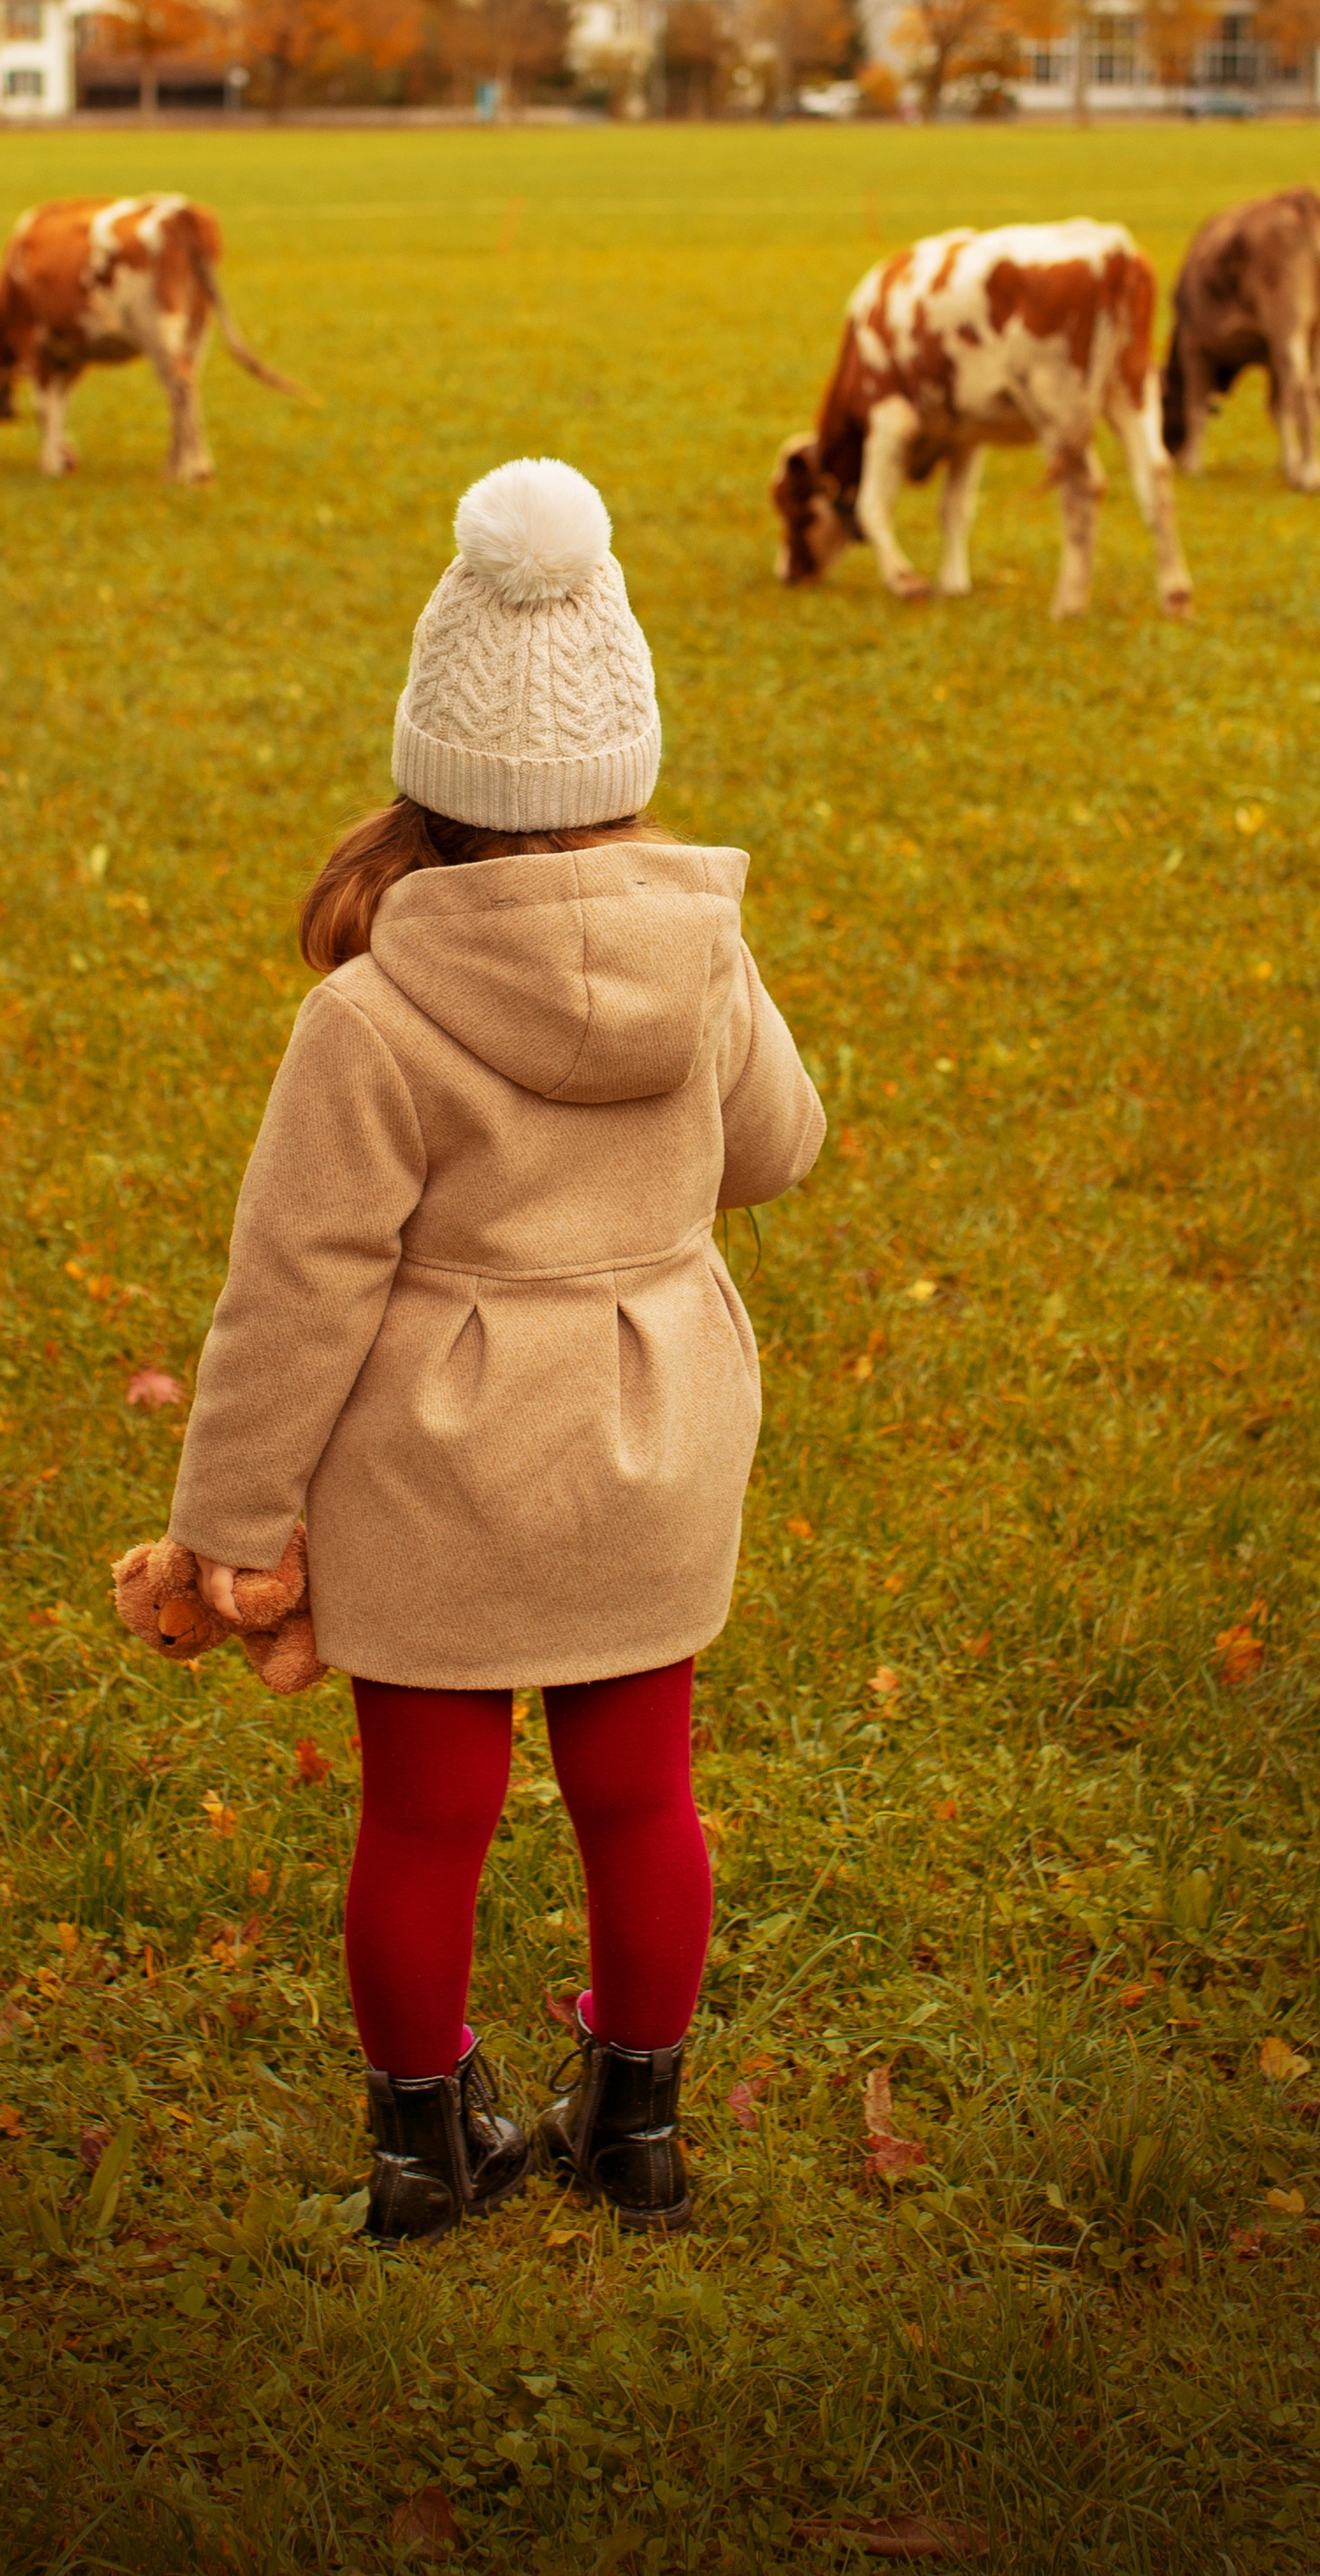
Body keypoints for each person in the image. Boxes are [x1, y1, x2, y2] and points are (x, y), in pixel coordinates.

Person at [163, 456, 823, 2240]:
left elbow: (292, 1287)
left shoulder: (370, 1012)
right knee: (639, 1792)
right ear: (623, 760)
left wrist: (228, 1518)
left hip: (440, 1464)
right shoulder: (698, 955)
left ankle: (420, 2148)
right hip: (648, 1445)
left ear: (426, 776)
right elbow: (776, 1151)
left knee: (427, 1819)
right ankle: (637, 2124)